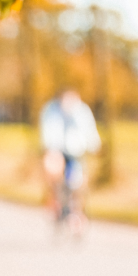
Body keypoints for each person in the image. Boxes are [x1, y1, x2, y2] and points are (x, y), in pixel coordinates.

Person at [39, 89, 100, 232]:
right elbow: (48, 132)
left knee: (77, 182)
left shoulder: (82, 111)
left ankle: (77, 211)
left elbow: (89, 130)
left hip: (75, 152)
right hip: (57, 150)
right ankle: (55, 202)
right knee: (53, 171)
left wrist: (95, 146)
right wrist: (50, 150)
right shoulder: (51, 110)